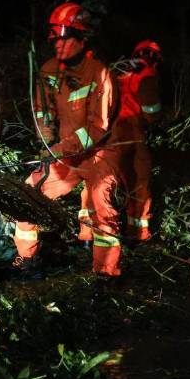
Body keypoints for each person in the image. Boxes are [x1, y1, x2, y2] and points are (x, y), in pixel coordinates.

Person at [14, 2, 122, 277]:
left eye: (64, 39)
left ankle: (105, 274)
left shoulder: (100, 74)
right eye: (55, 39)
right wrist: (46, 135)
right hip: (66, 155)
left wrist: (60, 148)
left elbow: (97, 129)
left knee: (102, 208)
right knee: (28, 192)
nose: (58, 45)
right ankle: (26, 261)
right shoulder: (51, 70)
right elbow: (43, 109)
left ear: (81, 38)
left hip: (100, 155)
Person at [78, 40, 163, 242]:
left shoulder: (118, 70)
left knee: (98, 180)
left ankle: (87, 233)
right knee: (138, 182)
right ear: (156, 58)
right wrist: (157, 120)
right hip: (131, 132)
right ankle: (137, 234)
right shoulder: (147, 74)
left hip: (107, 132)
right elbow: (151, 111)